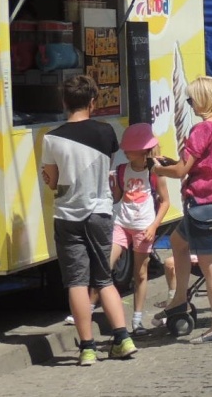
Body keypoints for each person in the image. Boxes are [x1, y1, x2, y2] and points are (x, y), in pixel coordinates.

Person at [41, 75, 137, 365]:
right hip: (100, 213)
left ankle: (87, 349)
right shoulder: (106, 132)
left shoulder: (51, 137)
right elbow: (106, 164)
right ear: (93, 102)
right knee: (104, 279)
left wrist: (49, 178)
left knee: (77, 283)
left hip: (67, 215)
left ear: (63, 102)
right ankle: (123, 339)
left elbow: (53, 179)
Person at [152, 76, 212, 344]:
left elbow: (181, 171)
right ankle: (179, 298)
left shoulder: (203, 130)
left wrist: (156, 167)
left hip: (202, 203)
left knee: (209, 263)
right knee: (178, 242)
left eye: (191, 99)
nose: (190, 105)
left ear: (202, 99)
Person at [110, 123, 171, 334]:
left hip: (144, 227)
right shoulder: (120, 170)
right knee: (105, 265)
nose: (125, 151)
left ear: (143, 150)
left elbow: (165, 202)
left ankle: (137, 319)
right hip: (121, 224)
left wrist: (154, 227)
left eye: (130, 148)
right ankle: (87, 308)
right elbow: (118, 197)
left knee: (141, 274)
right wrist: (112, 187)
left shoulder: (155, 172)